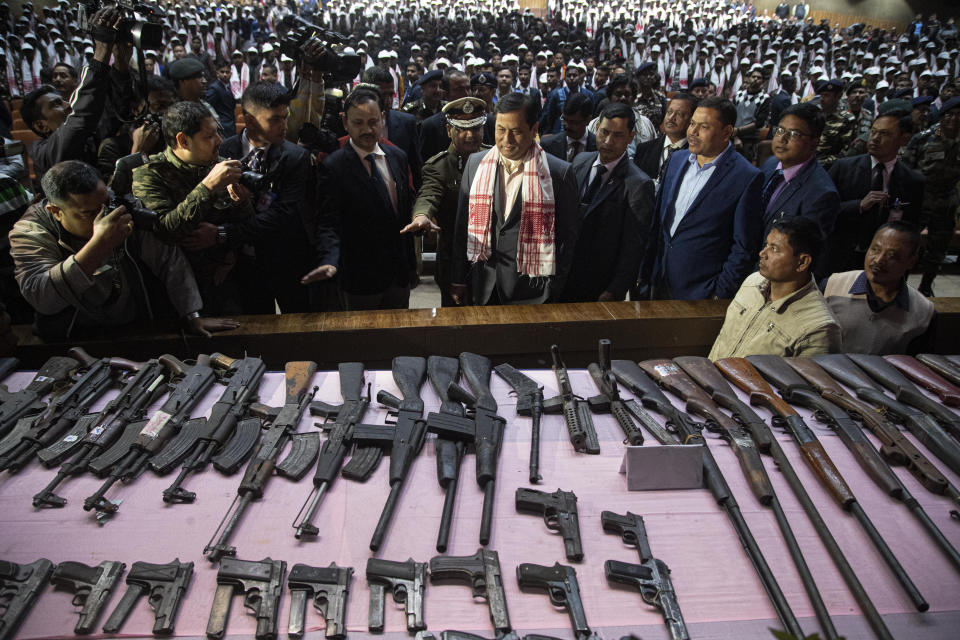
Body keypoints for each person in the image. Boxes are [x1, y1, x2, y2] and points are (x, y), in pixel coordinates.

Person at [9, 160, 238, 340]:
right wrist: (99, 244)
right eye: (88, 213)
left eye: (105, 204)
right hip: (70, 335)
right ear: (55, 211)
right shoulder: (30, 231)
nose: (105, 216)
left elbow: (168, 259)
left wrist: (192, 314)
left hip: (133, 325)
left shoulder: (120, 206)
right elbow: (42, 297)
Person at [451, 92, 579, 305]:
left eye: (516, 131)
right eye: (500, 130)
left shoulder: (559, 174)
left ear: (534, 129)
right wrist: (459, 279)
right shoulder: (475, 165)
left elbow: (568, 239)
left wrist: (553, 289)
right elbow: (461, 227)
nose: (506, 140)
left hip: (533, 292)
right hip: (484, 286)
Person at [132, 101, 256, 316]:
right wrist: (207, 188)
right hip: (177, 292)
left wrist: (241, 205)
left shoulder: (219, 165)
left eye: (218, 132)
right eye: (208, 136)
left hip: (224, 279)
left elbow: (248, 226)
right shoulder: (150, 174)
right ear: (183, 140)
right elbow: (166, 231)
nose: (219, 141)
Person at [642, 97, 763, 300]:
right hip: (659, 282)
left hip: (701, 293)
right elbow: (659, 223)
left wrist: (719, 292)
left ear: (727, 132)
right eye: (692, 124)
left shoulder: (746, 177)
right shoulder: (676, 160)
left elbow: (744, 246)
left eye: (704, 126)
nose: (692, 132)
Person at [311, 88, 417, 310]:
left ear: (382, 119)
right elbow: (328, 224)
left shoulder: (397, 157)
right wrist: (329, 260)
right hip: (359, 278)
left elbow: (402, 212)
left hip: (398, 275)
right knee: (364, 342)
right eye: (358, 123)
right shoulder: (334, 166)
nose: (367, 130)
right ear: (345, 122)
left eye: (373, 121)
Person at [218, 82, 318, 313]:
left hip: (286, 259)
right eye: (275, 119)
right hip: (240, 263)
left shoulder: (296, 157)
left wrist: (223, 235)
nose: (284, 126)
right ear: (250, 119)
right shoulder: (223, 152)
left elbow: (283, 214)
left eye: (285, 117)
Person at [19, 6, 133, 182]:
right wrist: (102, 49)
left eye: (62, 101)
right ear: (41, 126)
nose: (67, 105)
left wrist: (121, 63)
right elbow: (80, 120)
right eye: (56, 105)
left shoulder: (86, 139)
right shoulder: (43, 152)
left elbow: (115, 115)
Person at [709, 217, 840, 359]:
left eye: (774, 249)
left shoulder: (818, 327)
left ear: (802, 262)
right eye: (766, 245)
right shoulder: (752, 282)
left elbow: (804, 380)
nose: (763, 253)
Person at [561, 102, 654, 302]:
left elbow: (633, 247)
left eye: (618, 135)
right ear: (595, 129)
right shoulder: (580, 162)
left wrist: (615, 290)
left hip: (600, 285)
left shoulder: (638, 184)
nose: (609, 141)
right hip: (565, 276)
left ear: (631, 137)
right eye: (604, 132)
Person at [404, 97, 489, 307]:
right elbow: (428, 194)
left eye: (476, 128)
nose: (470, 135)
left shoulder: (494, 159)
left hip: (489, 260)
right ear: (449, 130)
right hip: (453, 259)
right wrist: (421, 215)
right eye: (462, 129)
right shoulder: (438, 167)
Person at [826, 108, 925, 274]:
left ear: (904, 139)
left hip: (883, 266)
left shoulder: (912, 181)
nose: (875, 139)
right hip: (840, 259)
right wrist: (859, 205)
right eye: (873, 132)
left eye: (885, 134)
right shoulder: (843, 168)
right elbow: (823, 210)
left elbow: (913, 225)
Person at [822, 222, 935, 354]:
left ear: (911, 262)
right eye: (875, 249)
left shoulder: (923, 312)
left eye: (891, 255)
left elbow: (916, 364)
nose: (879, 260)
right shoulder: (832, 285)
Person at [902, 96, 960, 297]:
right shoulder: (925, 138)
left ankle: (926, 286)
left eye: (958, 115)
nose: (954, 119)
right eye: (950, 114)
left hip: (946, 201)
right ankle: (901, 284)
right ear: (942, 117)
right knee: (909, 244)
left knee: (938, 249)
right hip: (921, 199)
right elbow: (907, 169)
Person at [760, 103, 840, 240]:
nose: (782, 139)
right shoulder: (770, 164)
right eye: (780, 130)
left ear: (815, 142)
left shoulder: (821, 195)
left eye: (794, 134)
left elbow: (802, 250)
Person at [634, 92, 695, 185]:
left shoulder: (695, 156)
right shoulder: (644, 149)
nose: (671, 118)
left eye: (679, 114)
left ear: (692, 121)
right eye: (669, 112)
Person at [539, 93, 596, 162]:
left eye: (573, 122)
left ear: (588, 120)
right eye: (564, 119)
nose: (567, 125)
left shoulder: (598, 147)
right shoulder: (548, 145)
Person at [814, 79, 857, 170]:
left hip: (828, 168)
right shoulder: (815, 114)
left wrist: (820, 164)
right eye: (821, 95)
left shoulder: (846, 119)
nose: (822, 99)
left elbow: (846, 152)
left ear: (838, 96)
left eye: (826, 96)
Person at [206, 59, 238, 135]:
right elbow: (207, 108)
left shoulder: (228, 86)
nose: (225, 74)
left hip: (230, 125)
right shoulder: (214, 88)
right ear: (217, 73)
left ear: (231, 73)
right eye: (222, 72)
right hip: (221, 126)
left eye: (227, 72)